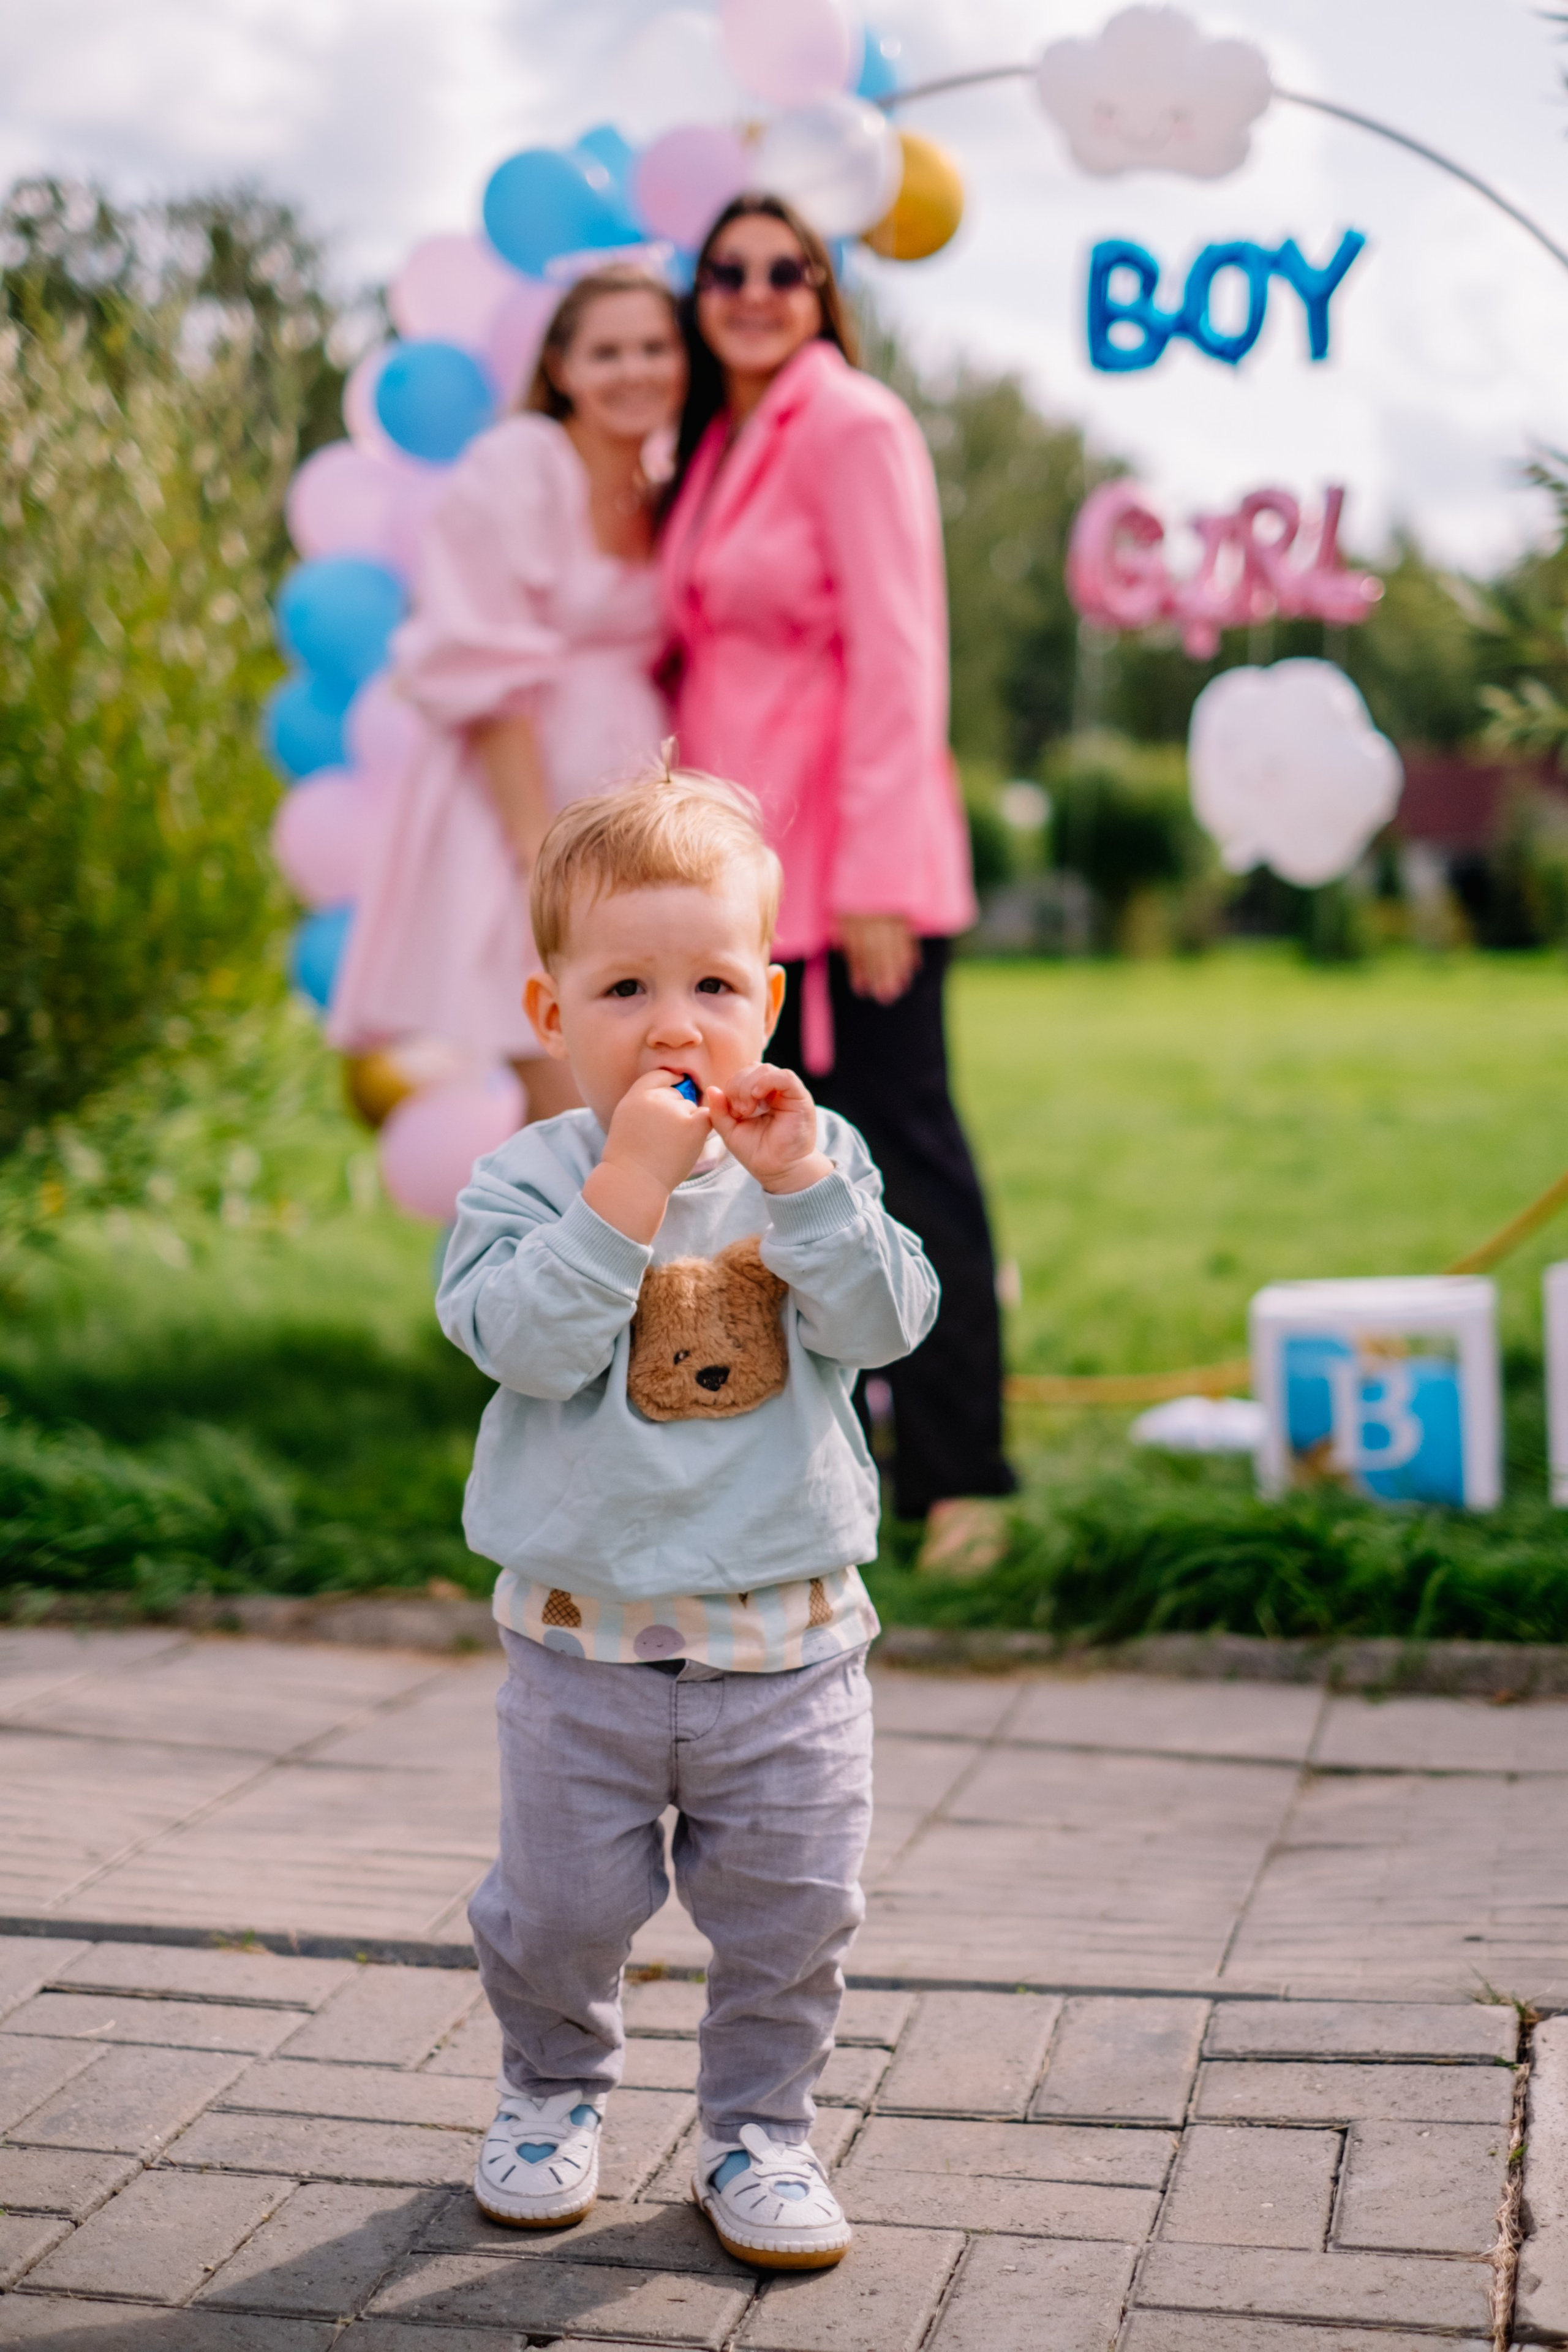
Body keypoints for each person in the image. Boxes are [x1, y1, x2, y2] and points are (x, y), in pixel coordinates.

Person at [437, 765, 938, 2269]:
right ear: (551, 1015)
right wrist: (621, 1197)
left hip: (785, 1650)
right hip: (581, 1657)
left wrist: (801, 1188)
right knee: (561, 1913)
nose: (674, 1021)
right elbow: (521, 1344)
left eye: (713, 981)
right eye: (625, 986)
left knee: (792, 1920)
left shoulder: (816, 1163)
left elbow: (890, 1322)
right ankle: (548, 2094)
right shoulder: (523, 1183)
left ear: (769, 1005)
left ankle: (758, 2132)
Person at [660, 193, 1015, 1569]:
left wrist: (869, 870)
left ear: (822, 289)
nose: (753, 290)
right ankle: (818, 1467)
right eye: (725, 269)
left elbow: (899, 650)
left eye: (784, 269)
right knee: (789, 1165)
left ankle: (964, 1473)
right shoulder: (721, 446)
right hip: (748, 875)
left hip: (857, 873)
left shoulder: (853, 423)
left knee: (908, 1155)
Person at [328, 265, 686, 1120]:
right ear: (561, 368)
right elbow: (483, 661)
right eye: (607, 351)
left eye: (654, 348)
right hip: (519, 801)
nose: (632, 370)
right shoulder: (521, 463)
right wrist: (536, 850)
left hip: (628, 801)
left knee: (614, 1085)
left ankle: (553, 1254)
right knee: (572, 1086)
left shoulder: (670, 482)